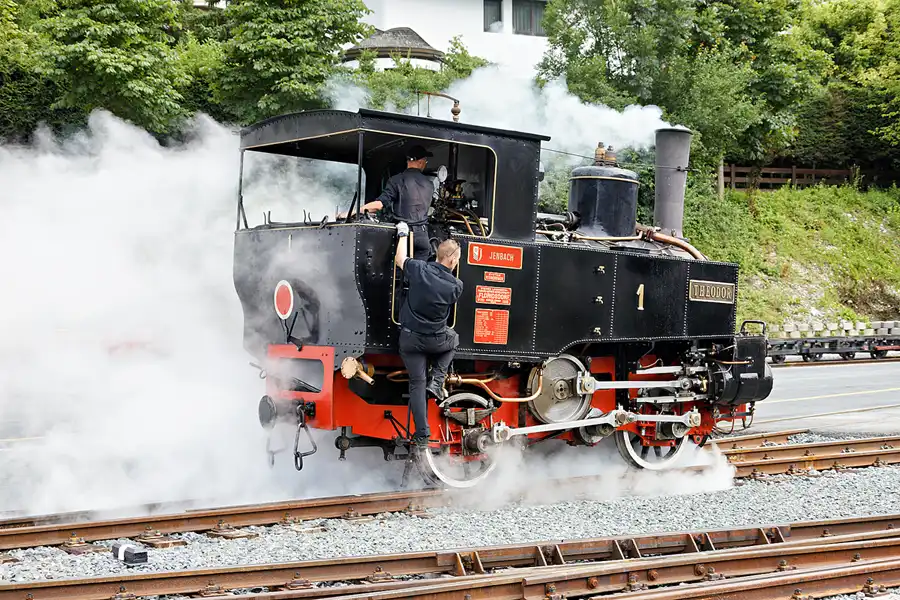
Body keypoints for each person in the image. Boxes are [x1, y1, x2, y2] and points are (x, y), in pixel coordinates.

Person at [394, 221, 462, 446]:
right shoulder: (456, 286)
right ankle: (438, 380)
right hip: (435, 340)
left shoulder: (419, 269)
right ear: (452, 260)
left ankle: (422, 434)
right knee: (454, 339)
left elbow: (400, 259)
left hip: (410, 340)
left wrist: (403, 234)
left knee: (416, 383)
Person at [339, 144, 436, 260]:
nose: (425, 164)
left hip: (404, 234)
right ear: (420, 162)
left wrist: (354, 211)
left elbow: (379, 205)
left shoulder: (397, 180)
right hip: (422, 237)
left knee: (398, 267)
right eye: (425, 161)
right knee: (420, 269)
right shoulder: (429, 184)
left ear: (408, 161)